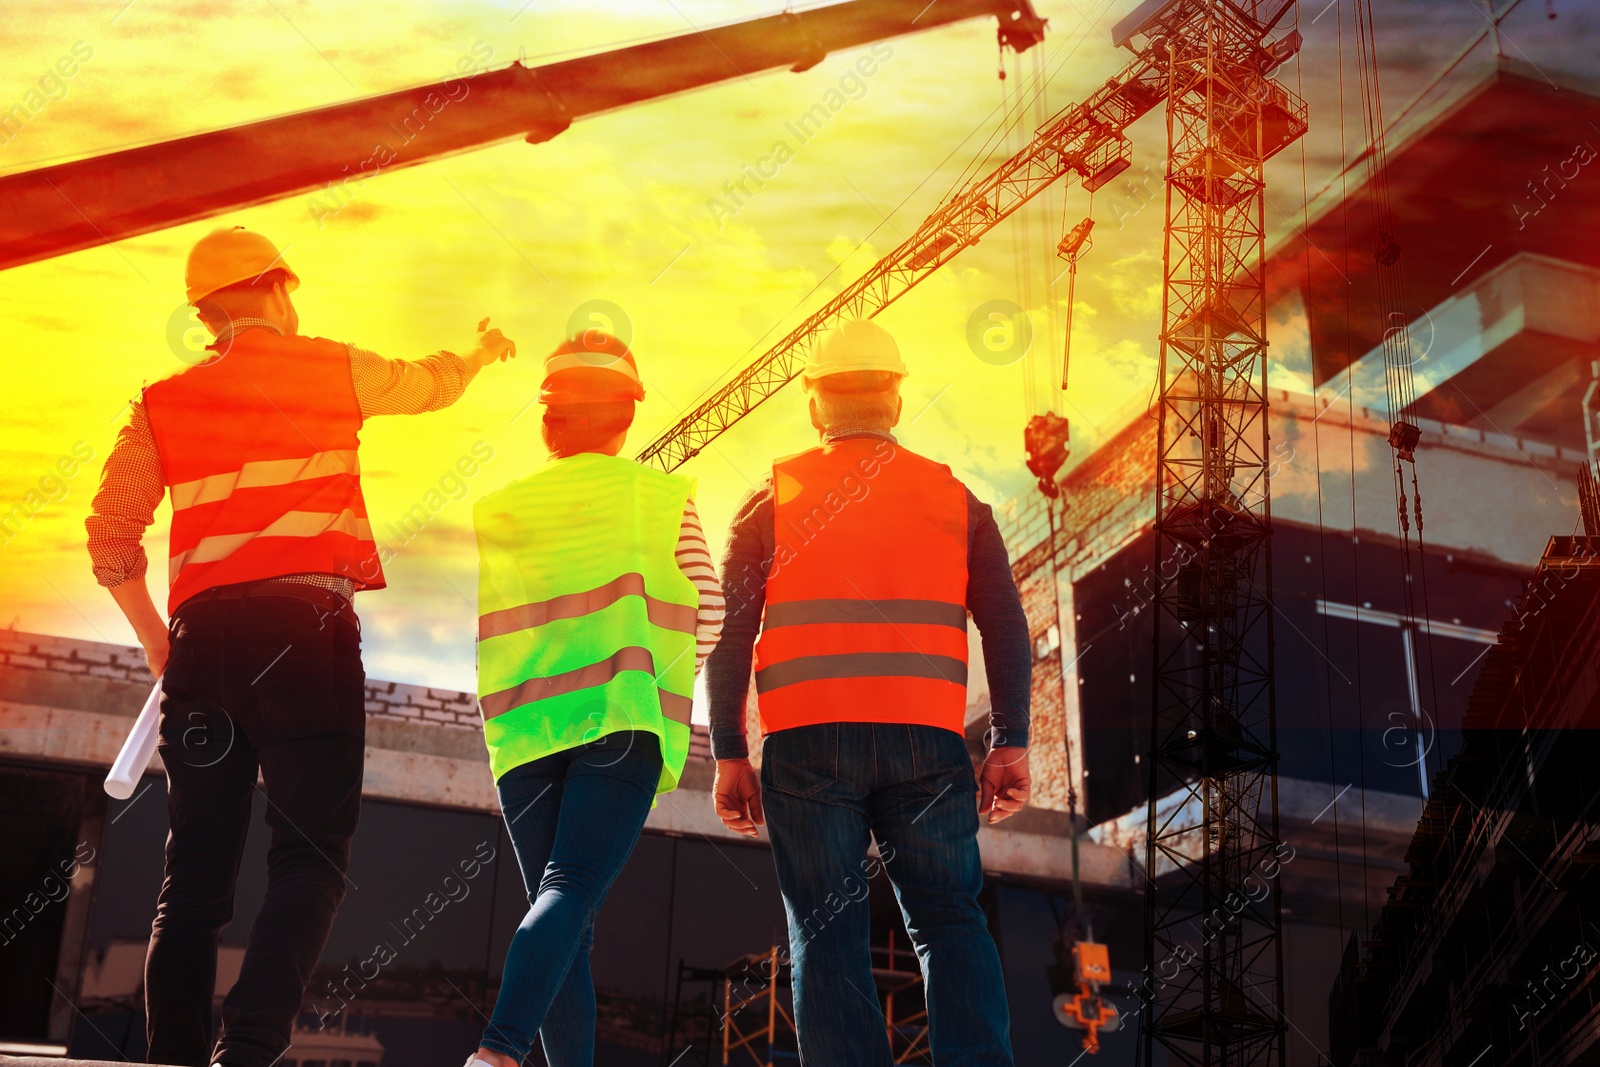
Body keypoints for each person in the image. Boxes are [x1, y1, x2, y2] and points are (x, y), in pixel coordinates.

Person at [86, 225, 518, 1067]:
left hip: (201, 645)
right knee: (308, 859)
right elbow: (430, 388)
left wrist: (155, 641)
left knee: (195, 879)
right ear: (280, 286)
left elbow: (111, 538)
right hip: (307, 634)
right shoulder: (330, 367)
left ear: (206, 312)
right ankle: (245, 1051)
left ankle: (172, 1058)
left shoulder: (161, 401)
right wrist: (477, 350)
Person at [706, 319, 1034, 1066]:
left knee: (826, 927)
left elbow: (729, 633)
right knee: (949, 917)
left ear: (815, 403)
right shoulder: (955, 499)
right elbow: (1007, 624)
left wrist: (730, 752)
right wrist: (1009, 740)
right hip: (925, 741)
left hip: (807, 741)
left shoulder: (771, 498)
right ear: (893, 399)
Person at [465, 332, 724, 1067]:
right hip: (618, 717)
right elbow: (710, 605)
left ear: (548, 419)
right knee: (570, 890)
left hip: (524, 731)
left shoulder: (503, 508)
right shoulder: (658, 495)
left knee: (563, 912)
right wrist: (657, 672)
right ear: (626, 416)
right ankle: (498, 1050)